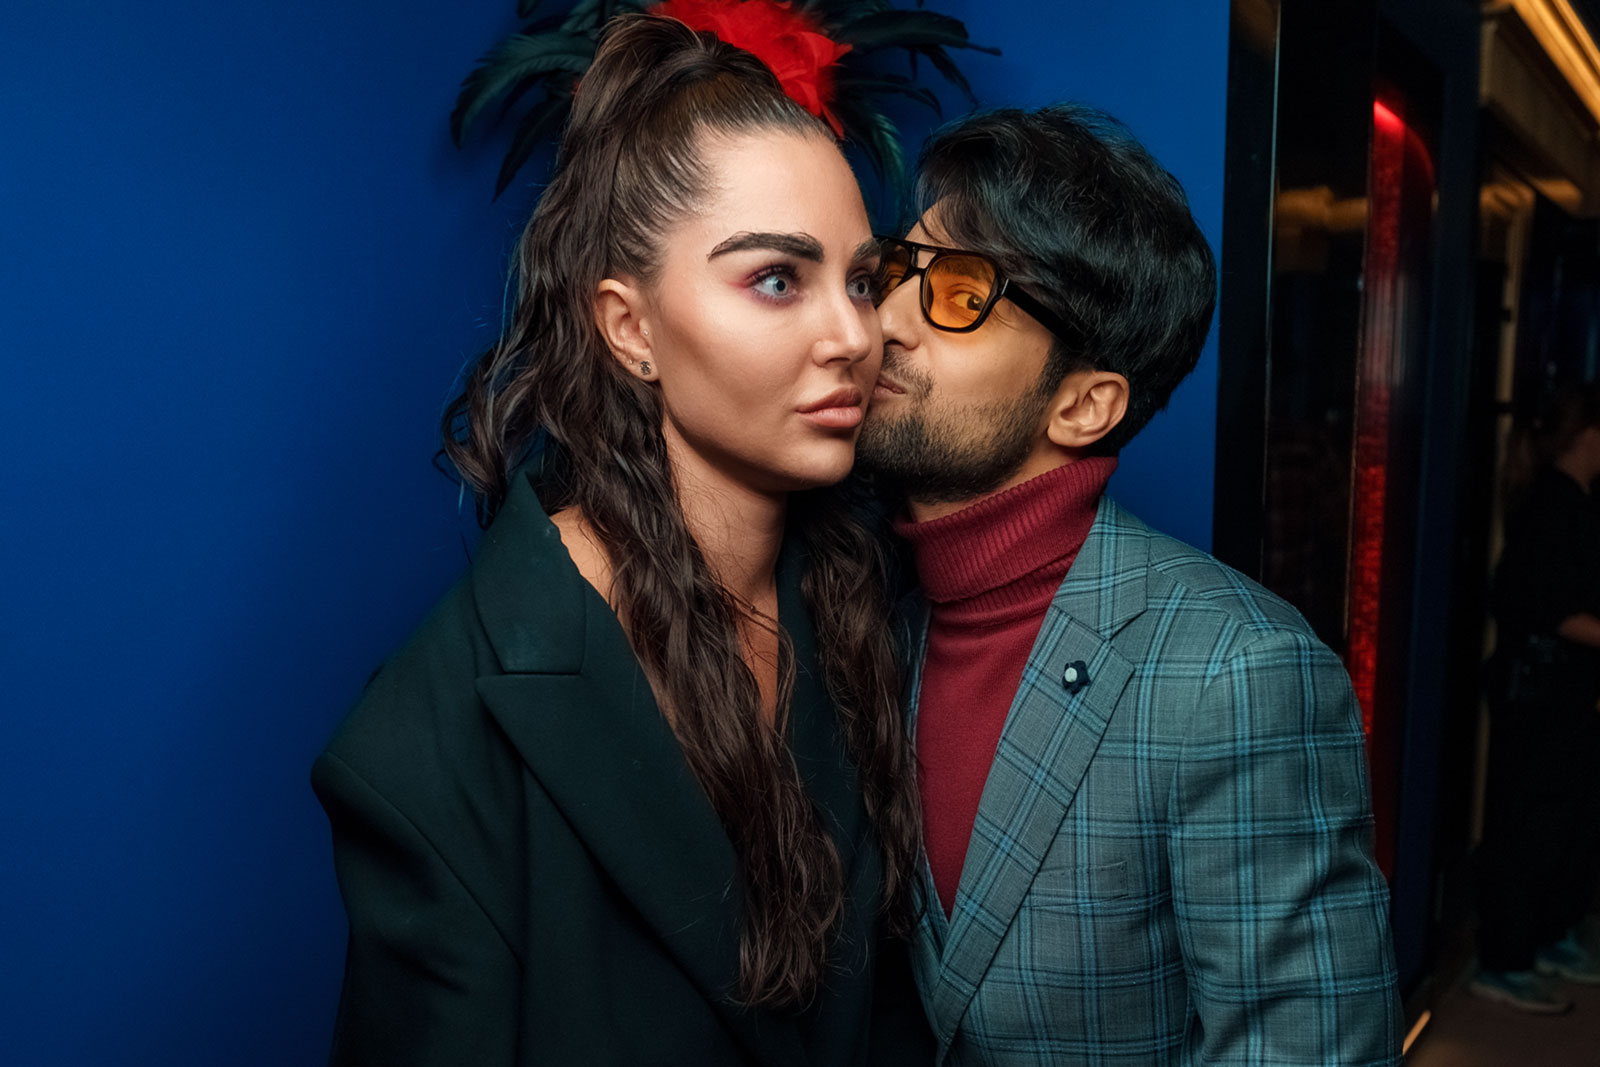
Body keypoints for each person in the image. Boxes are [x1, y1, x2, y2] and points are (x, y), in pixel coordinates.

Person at [311, 15, 930, 1065]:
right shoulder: (430, 741)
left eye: (862, 281)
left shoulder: (861, 611)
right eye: (777, 279)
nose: (853, 336)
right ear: (628, 326)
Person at [856, 104, 1401, 1065]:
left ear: (1084, 405)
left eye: (962, 293)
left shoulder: (1238, 673)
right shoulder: (872, 619)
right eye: (900, 270)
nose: (883, 322)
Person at [1470, 383, 1600, 1014]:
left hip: (1555, 693)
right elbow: (1548, 606)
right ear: (1588, 435)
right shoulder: (1554, 504)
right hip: (1541, 696)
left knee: (1559, 825)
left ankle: (1541, 940)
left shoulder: (1565, 499)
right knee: (1531, 829)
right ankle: (1505, 960)